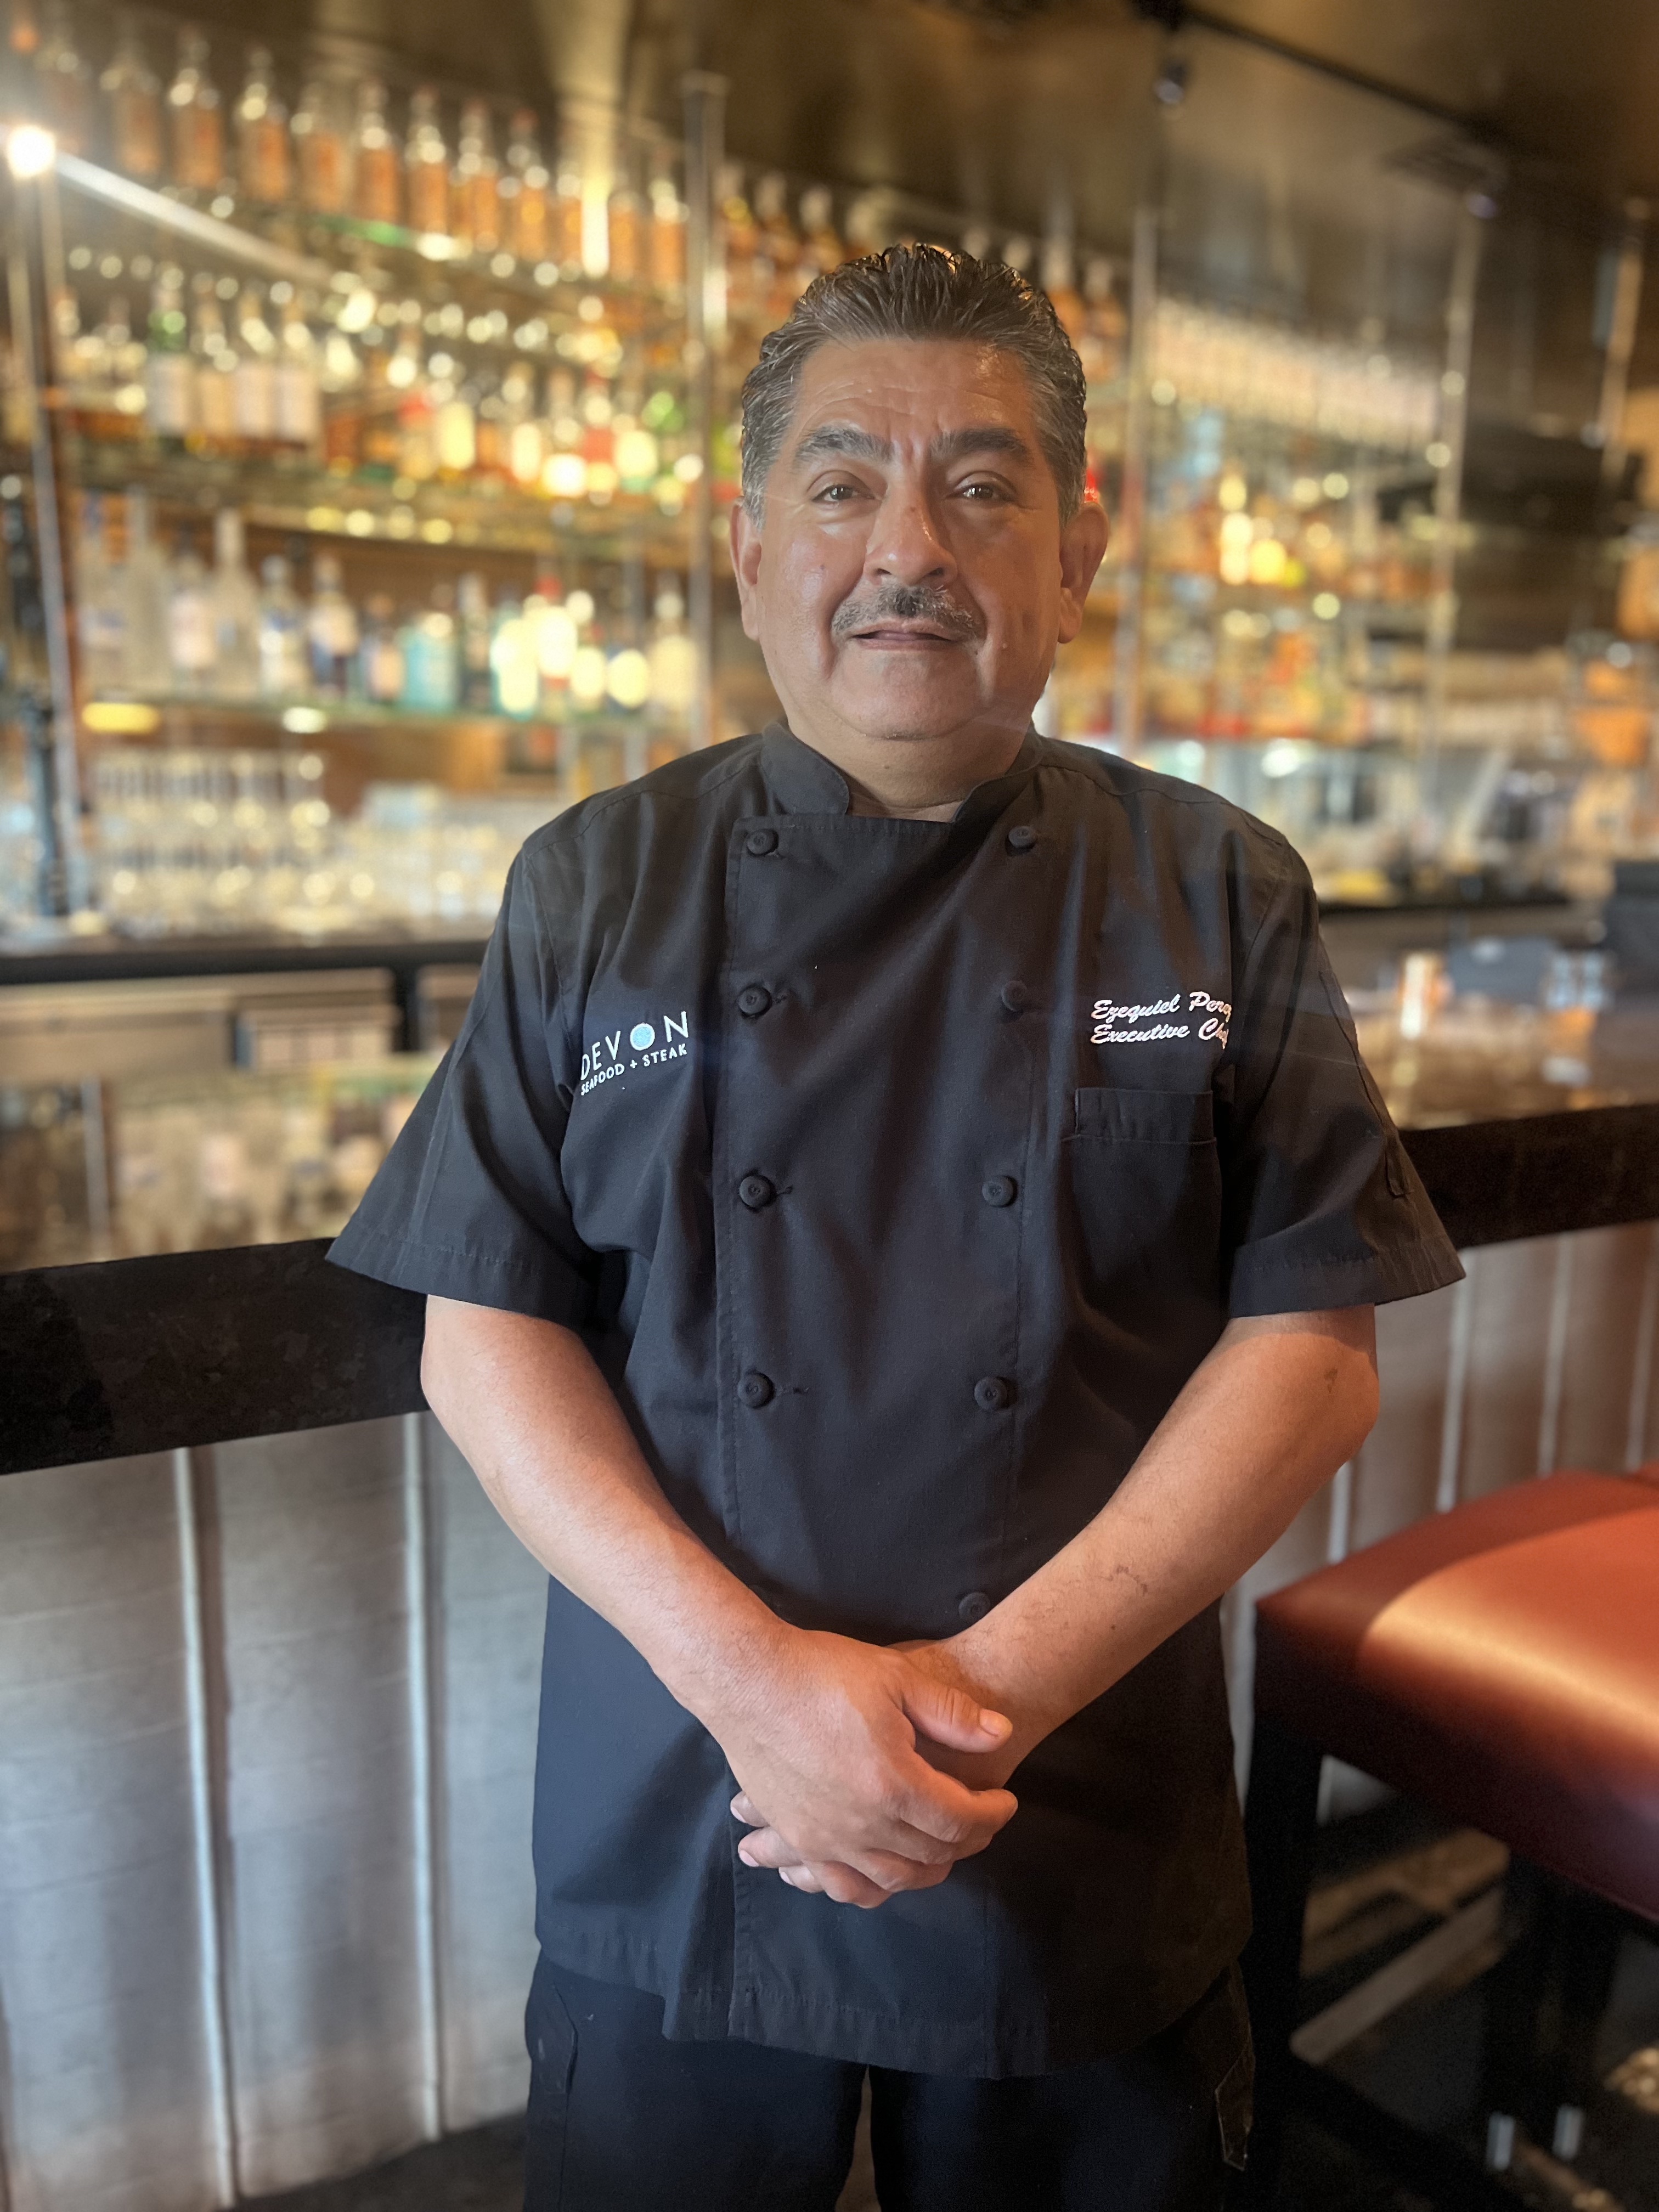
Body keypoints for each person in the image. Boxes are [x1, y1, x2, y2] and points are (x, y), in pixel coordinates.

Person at [330, 245, 1463, 2210]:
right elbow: (482, 1332)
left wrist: (972, 1711)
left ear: (1076, 547)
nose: (908, 546)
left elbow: (1313, 1352)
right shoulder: (595, 884)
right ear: (752, 539)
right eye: (843, 481)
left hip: (1071, 1801)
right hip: (693, 1792)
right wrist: (770, 1694)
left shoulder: (1219, 888)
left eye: (984, 485)